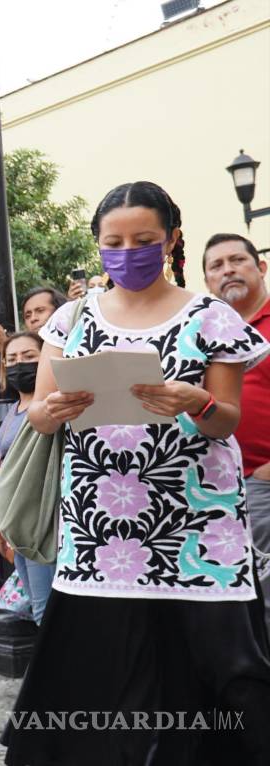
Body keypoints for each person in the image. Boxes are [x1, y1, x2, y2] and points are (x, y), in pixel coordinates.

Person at [3, 181, 270, 764]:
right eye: (113, 242)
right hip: (101, 531)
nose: (128, 252)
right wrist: (53, 410)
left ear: (172, 239)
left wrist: (190, 402)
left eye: (144, 240)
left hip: (197, 530)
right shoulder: (70, 319)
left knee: (220, 668)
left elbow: (226, 420)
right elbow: (42, 416)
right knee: (97, 671)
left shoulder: (211, 317)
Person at [203, 232, 270, 633]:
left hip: (261, 486)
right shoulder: (205, 332)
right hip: (212, 492)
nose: (227, 270)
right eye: (216, 266)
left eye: (237, 260)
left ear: (260, 267)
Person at [0, 332, 55, 624]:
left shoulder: (50, 410)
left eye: (29, 357)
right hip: (14, 523)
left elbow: (44, 467)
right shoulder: (11, 410)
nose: (19, 364)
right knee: (37, 606)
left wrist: (1, 475)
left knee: (45, 609)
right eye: (11, 359)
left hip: (39, 522)